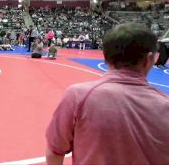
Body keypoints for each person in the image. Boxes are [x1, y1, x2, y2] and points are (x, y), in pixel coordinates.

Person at [46, 23, 169, 165]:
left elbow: (55, 150)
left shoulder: (79, 96)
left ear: (106, 56)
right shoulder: (165, 106)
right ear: (149, 59)